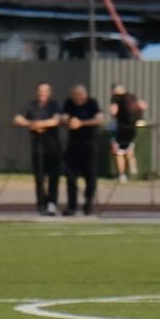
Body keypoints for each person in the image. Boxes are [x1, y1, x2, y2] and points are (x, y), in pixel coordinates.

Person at [14, 81, 65, 217]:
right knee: (39, 177)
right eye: (40, 92)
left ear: (49, 93)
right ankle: (41, 204)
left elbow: (56, 120)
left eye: (45, 91)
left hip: (53, 146)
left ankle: (52, 203)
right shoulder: (31, 106)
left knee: (54, 176)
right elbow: (17, 118)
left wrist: (40, 124)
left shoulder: (54, 105)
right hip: (38, 146)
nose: (42, 94)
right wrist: (31, 124)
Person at [61, 81, 104, 217]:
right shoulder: (69, 103)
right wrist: (68, 121)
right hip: (73, 146)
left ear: (85, 94)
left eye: (80, 95)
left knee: (91, 176)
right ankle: (71, 206)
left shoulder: (92, 103)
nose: (77, 98)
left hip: (89, 146)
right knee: (70, 176)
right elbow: (63, 117)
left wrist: (82, 123)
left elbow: (99, 119)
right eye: (74, 95)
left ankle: (88, 202)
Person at [108, 86, 142, 186]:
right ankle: (132, 166)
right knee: (129, 148)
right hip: (133, 128)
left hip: (121, 128)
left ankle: (122, 175)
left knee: (119, 152)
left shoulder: (116, 99)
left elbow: (113, 111)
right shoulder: (132, 97)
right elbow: (143, 105)